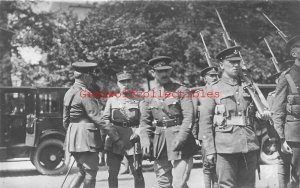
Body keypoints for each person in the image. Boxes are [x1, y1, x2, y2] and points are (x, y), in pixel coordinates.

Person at [200, 46, 270, 188]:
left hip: (249, 144)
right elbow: (205, 122)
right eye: (231, 62)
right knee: (227, 185)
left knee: (248, 185)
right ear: (221, 65)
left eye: (238, 61)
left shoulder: (248, 86)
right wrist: (210, 150)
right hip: (225, 147)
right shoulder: (212, 89)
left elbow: (255, 115)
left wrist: (261, 116)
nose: (236, 65)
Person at [63, 61, 123, 188]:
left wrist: (74, 135)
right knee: (90, 173)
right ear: (85, 77)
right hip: (86, 138)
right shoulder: (85, 93)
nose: (91, 79)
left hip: (73, 136)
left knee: (81, 172)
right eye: (90, 76)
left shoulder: (69, 92)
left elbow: (65, 120)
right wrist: (116, 138)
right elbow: (98, 119)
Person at [139, 56, 197, 188]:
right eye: (160, 71)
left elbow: (189, 117)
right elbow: (144, 122)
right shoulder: (149, 95)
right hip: (160, 142)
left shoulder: (181, 90)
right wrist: (145, 140)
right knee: (163, 183)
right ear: (153, 73)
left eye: (167, 70)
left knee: (178, 183)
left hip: (180, 139)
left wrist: (182, 137)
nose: (164, 74)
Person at [103, 68, 145, 188]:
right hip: (115, 139)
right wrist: (113, 136)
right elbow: (105, 120)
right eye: (122, 82)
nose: (126, 84)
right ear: (118, 83)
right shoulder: (112, 100)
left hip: (133, 139)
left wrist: (138, 131)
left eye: (128, 81)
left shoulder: (138, 99)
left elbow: (144, 119)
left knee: (137, 173)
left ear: (132, 83)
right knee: (112, 173)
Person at [273, 35, 300, 187]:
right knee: (297, 177)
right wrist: (282, 138)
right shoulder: (287, 76)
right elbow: (278, 110)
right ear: (294, 54)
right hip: (296, 136)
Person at [193, 66, 219, 188]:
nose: (214, 78)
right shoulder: (199, 94)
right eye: (211, 75)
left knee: (221, 166)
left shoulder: (221, 91)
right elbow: (194, 116)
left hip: (221, 132)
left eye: (216, 75)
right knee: (208, 166)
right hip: (205, 133)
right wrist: (195, 136)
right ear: (205, 79)